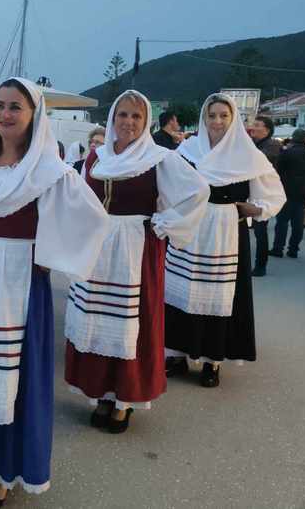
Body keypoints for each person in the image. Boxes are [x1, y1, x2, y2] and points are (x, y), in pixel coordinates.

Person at [0, 78, 109, 506]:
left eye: (16, 106)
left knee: (7, 376)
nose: (5, 114)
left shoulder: (49, 170)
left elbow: (92, 218)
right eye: (0, 105)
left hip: (17, 280)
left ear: (35, 115)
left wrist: (50, 253)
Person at [64, 91, 208, 433]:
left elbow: (197, 192)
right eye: (123, 114)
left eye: (136, 116)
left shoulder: (159, 158)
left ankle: (124, 399)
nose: (128, 122)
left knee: (132, 323)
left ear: (146, 122)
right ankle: (101, 392)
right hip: (97, 247)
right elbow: (81, 199)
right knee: (97, 319)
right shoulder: (96, 156)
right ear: (112, 118)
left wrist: (165, 223)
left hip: (136, 248)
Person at [164, 94, 285, 388]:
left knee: (217, 296)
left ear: (233, 120)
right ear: (204, 118)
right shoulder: (187, 150)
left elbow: (274, 195)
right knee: (181, 292)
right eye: (212, 115)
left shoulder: (248, 155)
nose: (217, 121)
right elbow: (169, 186)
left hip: (225, 233)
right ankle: (177, 355)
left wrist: (254, 209)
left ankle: (212, 360)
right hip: (189, 230)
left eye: (223, 115)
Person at [249, 116, 282, 277]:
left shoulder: (271, 145)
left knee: (260, 231)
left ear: (267, 130)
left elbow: (257, 161)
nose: (253, 127)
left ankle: (261, 266)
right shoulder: (258, 144)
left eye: (257, 125)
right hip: (255, 192)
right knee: (257, 231)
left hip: (263, 194)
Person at [271, 129, 305, 258]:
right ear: (304, 139)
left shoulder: (287, 152)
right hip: (302, 192)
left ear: (293, 138)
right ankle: (293, 249)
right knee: (297, 223)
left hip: (286, 191)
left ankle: (278, 248)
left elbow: (278, 170)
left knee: (282, 222)